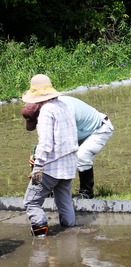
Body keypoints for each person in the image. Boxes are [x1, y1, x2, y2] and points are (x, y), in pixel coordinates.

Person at [22, 74, 78, 237]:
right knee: (64, 202)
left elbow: (46, 144)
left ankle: (41, 240)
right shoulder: (64, 106)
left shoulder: (46, 111)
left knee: (31, 202)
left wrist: (37, 169)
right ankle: (70, 236)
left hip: (50, 168)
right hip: (69, 165)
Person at [26, 95, 114, 199]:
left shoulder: (62, 110)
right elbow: (45, 141)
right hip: (79, 132)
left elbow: (63, 145)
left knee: (81, 156)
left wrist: (40, 165)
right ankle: (50, 193)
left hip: (99, 129)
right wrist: (37, 157)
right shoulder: (47, 109)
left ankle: (87, 194)